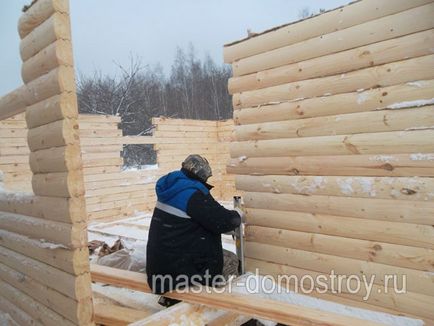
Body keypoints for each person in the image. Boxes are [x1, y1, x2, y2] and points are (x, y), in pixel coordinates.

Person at [146, 154, 243, 301]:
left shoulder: (174, 188)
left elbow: (201, 217)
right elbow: (223, 220)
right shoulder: (192, 194)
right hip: (179, 273)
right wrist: (238, 214)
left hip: (160, 267)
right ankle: (210, 303)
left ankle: (172, 299)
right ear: (201, 175)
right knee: (231, 261)